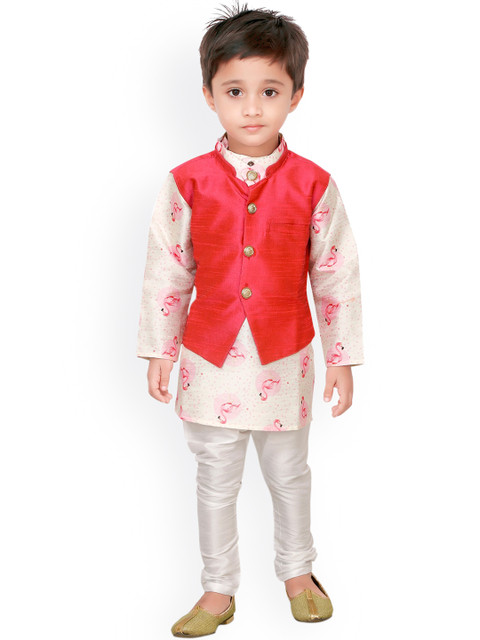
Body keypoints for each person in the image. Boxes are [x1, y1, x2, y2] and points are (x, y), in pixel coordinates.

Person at [137, 2, 364, 636]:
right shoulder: (186, 182)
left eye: (270, 90)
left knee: (289, 472)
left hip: (284, 356)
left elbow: (336, 274)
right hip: (208, 358)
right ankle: (217, 589)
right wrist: (159, 349)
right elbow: (168, 269)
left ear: (296, 95)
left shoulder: (315, 184)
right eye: (235, 91)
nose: (253, 107)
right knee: (215, 476)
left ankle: (299, 572)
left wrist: (342, 358)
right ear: (209, 95)